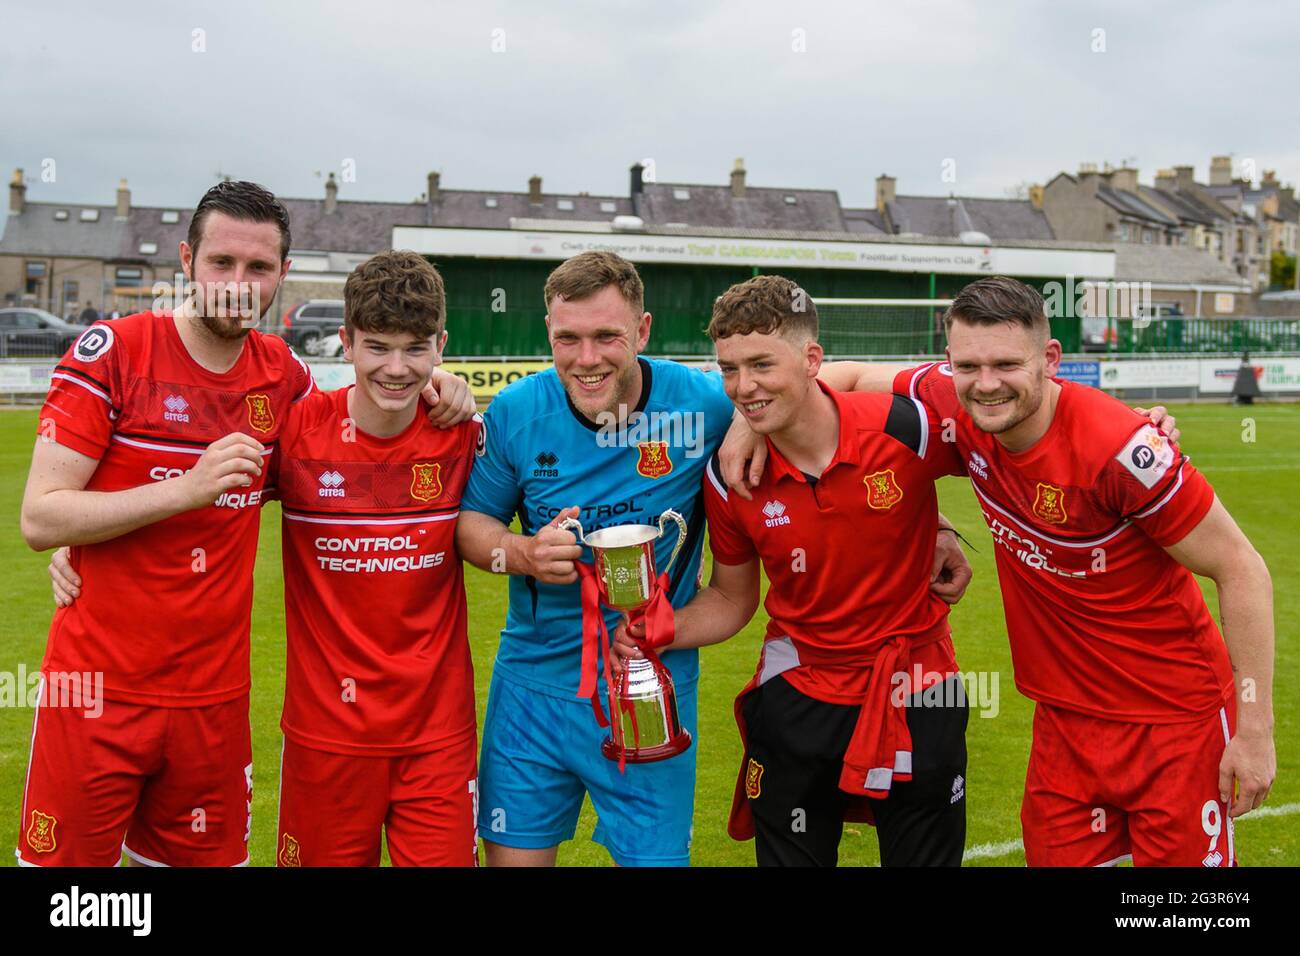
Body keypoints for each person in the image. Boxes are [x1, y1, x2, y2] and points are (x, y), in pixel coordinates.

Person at [454, 251, 970, 866]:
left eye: (606, 336)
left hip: (654, 679)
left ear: (642, 332)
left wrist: (749, 423)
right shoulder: (516, 412)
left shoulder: (705, 403)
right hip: (533, 690)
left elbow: (821, 389)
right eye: (568, 338)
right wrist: (519, 552)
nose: (586, 358)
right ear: (549, 333)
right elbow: (469, 524)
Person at [19, 182, 471, 867]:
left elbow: (349, 440)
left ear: (281, 276)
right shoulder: (113, 350)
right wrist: (180, 492)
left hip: (214, 705)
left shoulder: (282, 378)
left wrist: (442, 384)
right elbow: (42, 515)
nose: (238, 284)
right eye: (222, 263)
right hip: (96, 691)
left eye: (258, 269)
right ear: (186, 261)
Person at [892, 276, 1275, 866]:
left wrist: (1254, 732)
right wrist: (745, 423)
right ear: (949, 363)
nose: (986, 383)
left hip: (1174, 721)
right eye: (968, 365)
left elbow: (1242, 568)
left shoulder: (1121, 448)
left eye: (1005, 364)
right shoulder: (955, 401)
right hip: (1064, 724)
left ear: (1050, 359)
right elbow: (836, 384)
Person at [614, 275, 971, 866]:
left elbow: (1018, 421)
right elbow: (732, 599)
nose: (744, 387)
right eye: (729, 369)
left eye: (761, 365)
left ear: (812, 360)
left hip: (917, 683)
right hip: (799, 688)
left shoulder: (908, 427)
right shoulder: (730, 481)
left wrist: (1137, 429)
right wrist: (661, 627)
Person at [271, 251, 479, 867]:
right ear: (345, 342)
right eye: (377, 347)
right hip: (324, 735)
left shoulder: (465, 435)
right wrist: (80, 541)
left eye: (415, 349)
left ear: (441, 345)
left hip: (437, 736)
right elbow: (200, 502)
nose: (396, 368)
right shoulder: (294, 434)